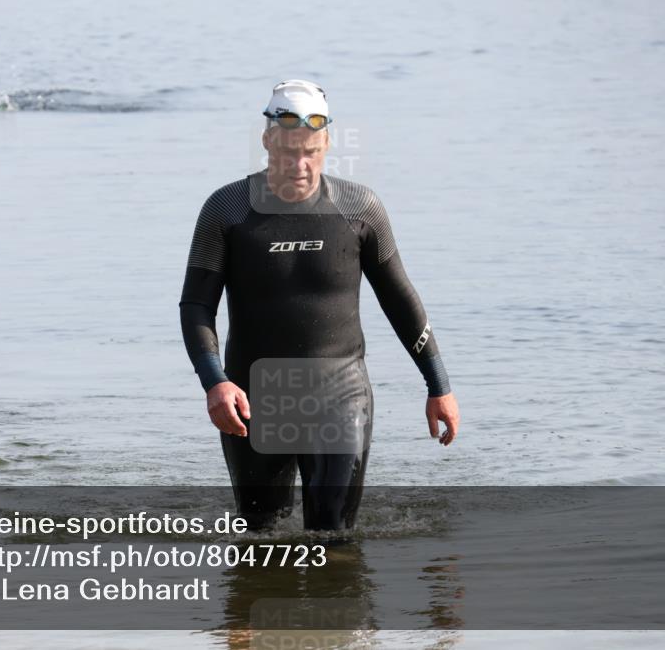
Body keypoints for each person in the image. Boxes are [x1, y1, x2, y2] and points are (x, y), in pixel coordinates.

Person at [179, 80, 460, 531]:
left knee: (333, 537)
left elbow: (400, 299)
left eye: (310, 151)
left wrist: (438, 384)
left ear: (327, 142)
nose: (300, 165)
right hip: (254, 398)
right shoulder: (227, 210)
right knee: (259, 538)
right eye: (288, 152)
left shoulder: (359, 208)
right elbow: (195, 307)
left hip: (340, 394)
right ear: (267, 140)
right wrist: (216, 383)